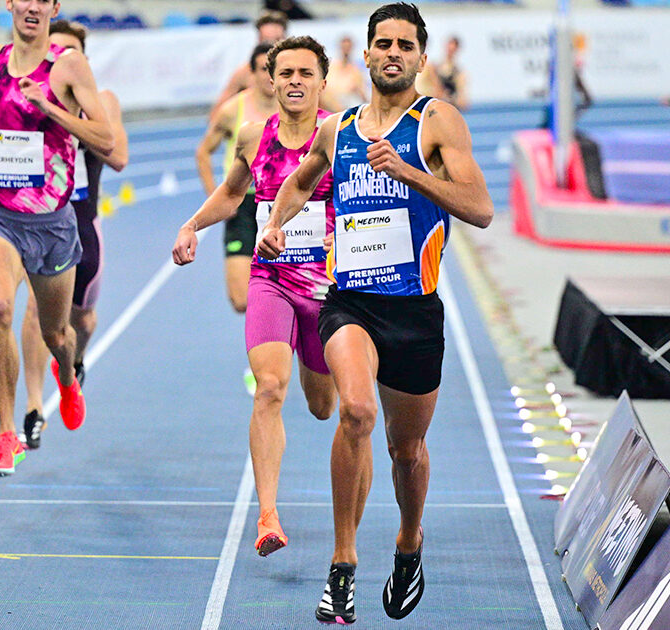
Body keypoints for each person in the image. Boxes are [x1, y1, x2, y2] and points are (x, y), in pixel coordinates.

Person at [257, 3, 493, 623]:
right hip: (350, 304)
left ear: (420, 57)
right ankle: (343, 566)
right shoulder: (338, 129)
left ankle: (409, 544)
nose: (392, 53)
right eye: (381, 43)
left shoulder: (437, 122)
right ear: (363, 55)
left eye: (404, 45)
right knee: (355, 410)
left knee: (407, 450)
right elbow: (303, 177)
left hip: (415, 312)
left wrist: (410, 172)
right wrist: (276, 224)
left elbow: (480, 207)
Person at [174, 35, 337, 559]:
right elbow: (231, 193)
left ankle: (321, 382)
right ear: (269, 79)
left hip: (330, 288)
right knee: (269, 387)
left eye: (304, 73)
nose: (293, 82)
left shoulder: (342, 136)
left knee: (321, 405)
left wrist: (345, 237)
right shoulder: (252, 135)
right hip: (271, 278)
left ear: (321, 81)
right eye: (284, 73)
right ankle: (268, 515)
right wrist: (192, 225)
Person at [0, 0, 114, 478]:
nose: (32, 6)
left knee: (57, 334)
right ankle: (5, 433)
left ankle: (68, 376)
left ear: (54, 7)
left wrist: (50, 109)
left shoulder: (68, 64)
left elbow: (108, 138)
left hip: (53, 222)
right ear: (10, 4)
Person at [18, 18, 130, 449]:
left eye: (68, 53)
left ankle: (74, 361)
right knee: (33, 309)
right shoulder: (26, 94)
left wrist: (62, 116)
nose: (58, 60)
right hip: (38, 212)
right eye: (53, 50)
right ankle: (33, 407)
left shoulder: (100, 100)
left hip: (82, 216)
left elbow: (118, 156)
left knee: (81, 317)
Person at [195, 43, 279, 317]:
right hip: (243, 204)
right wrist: (214, 196)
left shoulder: (295, 107)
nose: (269, 76)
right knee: (240, 299)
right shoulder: (233, 110)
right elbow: (203, 152)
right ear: (251, 73)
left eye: (274, 70)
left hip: (283, 205)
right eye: (263, 69)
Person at [209, 11, 287, 115]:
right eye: (266, 40)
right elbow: (217, 111)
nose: (271, 46)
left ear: (285, 38)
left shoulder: (299, 71)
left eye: (276, 40)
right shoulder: (245, 72)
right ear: (258, 40)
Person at [418, 35, 468, 110]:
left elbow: (463, 102)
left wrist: (449, 98)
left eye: (452, 49)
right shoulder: (433, 67)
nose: (450, 51)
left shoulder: (459, 73)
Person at [322, 35, 368, 112]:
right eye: (344, 47)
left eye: (348, 47)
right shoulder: (330, 68)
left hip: (349, 105)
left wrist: (358, 90)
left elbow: (364, 96)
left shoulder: (356, 71)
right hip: (331, 106)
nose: (346, 51)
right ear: (340, 48)